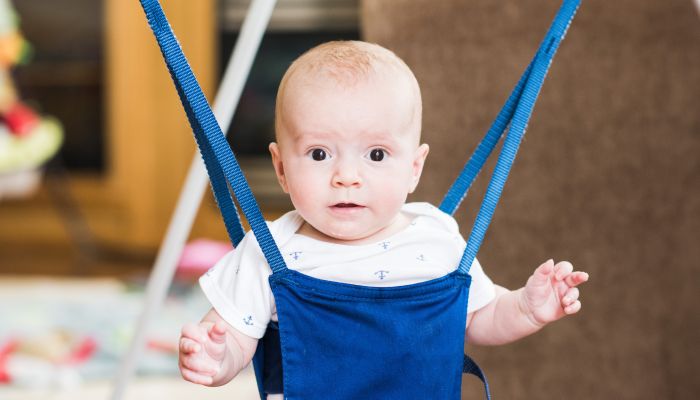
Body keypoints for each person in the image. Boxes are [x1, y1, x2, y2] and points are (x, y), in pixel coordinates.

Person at [178, 41, 589, 398]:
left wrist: (525, 308)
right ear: (281, 167)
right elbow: (233, 334)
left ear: (414, 167)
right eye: (319, 154)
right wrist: (215, 356)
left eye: (376, 155)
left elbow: (480, 318)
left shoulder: (435, 239)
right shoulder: (270, 250)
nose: (347, 177)